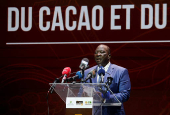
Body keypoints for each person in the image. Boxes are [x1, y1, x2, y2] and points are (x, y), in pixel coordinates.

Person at [84, 44, 131, 115]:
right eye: (96, 52)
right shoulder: (87, 72)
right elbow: (80, 94)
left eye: (102, 52)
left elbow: (125, 95)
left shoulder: (120, 71)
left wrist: (105, 97)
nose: (98, 54)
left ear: (109, 56)